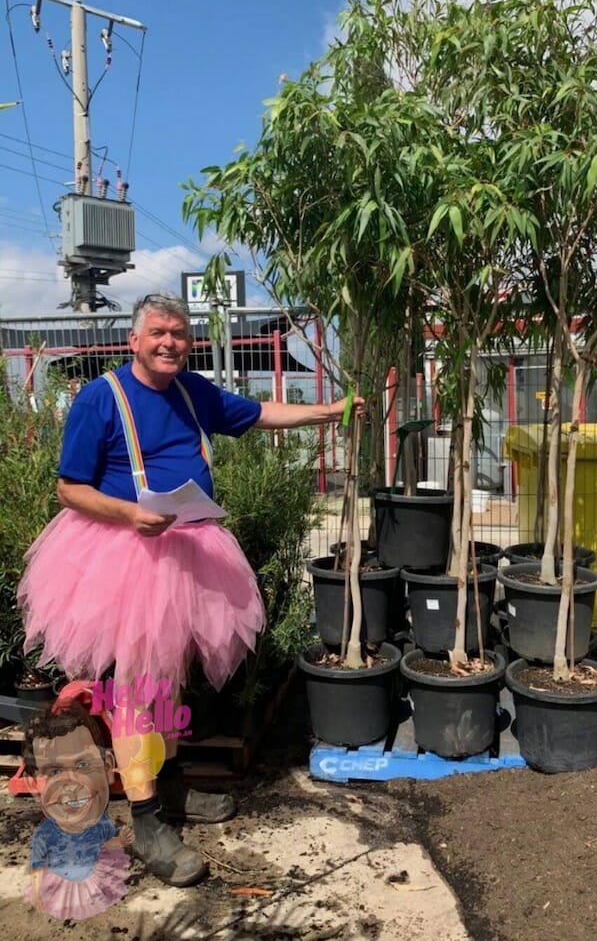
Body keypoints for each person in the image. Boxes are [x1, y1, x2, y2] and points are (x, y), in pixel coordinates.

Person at [18, 291, 363, 888]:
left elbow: (257, 413)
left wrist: (328, 413)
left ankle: (171, 788)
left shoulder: (192, 390)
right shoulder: (103, 397)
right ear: (134, 340)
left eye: (179, 333)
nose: (170, 342)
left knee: (167, 682)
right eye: (158, 332)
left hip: (187, 551)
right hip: (124, 557)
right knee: (135, 691)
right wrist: (130, 514)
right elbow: (69, 489)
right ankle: (147, 818)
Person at [22, 701, 134, 920]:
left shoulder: (101, 824)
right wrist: (37, 892)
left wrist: (120, 841)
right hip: (62, 880)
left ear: (107, 768)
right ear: (33, 785)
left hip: (91, 874)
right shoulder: (45, 834)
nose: (72, 784)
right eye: (54, 772)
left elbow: (105, 845)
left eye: (83, 765)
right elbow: (37, 865)